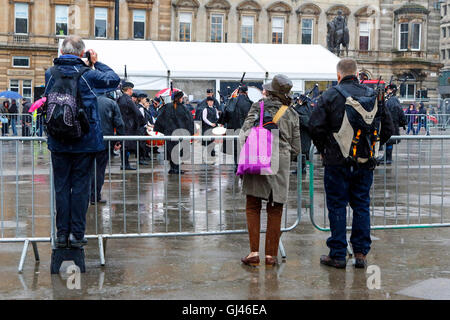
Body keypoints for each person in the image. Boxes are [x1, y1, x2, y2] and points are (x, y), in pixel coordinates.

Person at [309, 58, 394, 269]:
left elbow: (315, 126)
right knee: (361, 205)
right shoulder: (372, 95)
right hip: (365, 161)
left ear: (338, 75)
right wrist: (372, 146)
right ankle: (360, 253)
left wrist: (324, 149)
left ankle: (338, 253)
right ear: (357, 74)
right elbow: (388, 128)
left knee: (337, 206)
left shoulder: (329, 96)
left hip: (337, 161)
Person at [44, 35, 120, 248]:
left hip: (58, 139)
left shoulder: (50, 73)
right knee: (80, 188)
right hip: (84, 140)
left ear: (61, 52)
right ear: (81, 53)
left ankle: (61, 235)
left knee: (61, 188)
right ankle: (76, 235)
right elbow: (114, 79)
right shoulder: (88, 75)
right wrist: (96, 62)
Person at [240, 74, 301, 267]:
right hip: (280, 162)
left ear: (270, 91)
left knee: (253, 206)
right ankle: (271, 256)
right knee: (275, 209)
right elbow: (297, 147)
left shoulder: (258, 106)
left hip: (258, 158)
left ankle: (254, 253)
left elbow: (244, 133)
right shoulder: (292, 114)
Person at [90, 91, 125, 205]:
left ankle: (87, 195)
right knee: (99, 170)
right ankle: (95, 195)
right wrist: (118, 140)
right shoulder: (111, 103)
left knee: (86, 169)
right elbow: (119, 123)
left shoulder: (87, 100)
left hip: (87, 141)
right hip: (104, 140)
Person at [154, 90, 194, 174]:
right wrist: (190, 132)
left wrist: (161, 129)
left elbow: (160, 118)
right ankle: (176, 169)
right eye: (182, 98)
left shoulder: (167, 106)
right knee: (176, 151)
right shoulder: (183, 108)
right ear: (179, 98)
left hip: (169, 133)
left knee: (171, 151)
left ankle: (172, 168)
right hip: (179, 133)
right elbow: (189, 121)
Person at [219, 85, 253, 170]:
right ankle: (244, 166)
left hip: (233, 128)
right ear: (246, 92)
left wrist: (222, 122)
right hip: (245, 129)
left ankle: (237, 167)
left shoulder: (232, 101)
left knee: (236, 150)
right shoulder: (250, 103)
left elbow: (225, 113)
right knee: (245, 149)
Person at [117, 82, 146, 170]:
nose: (132, 91)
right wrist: (142, 123)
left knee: (124, 146)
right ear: (129, 89)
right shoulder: (128, 100)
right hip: (130, 127)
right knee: (126, 146)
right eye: (131, 89)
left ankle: (125, 164)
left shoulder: (119, 99)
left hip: (122, 125)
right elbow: (137, 113)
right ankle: (125, 165)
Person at [377, 84, 407, 165]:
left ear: (391, 90)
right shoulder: (392, 99)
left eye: (388, 90)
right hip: (391, 124)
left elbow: (399, 112)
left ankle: (388, 158)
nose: (386, 91)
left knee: (389, 141)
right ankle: (387, 157)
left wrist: (403, 122)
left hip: (390, 124)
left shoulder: (392, 100)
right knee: (389, 141)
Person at [292, 94, 313, 174]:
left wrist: (299, 117)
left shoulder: (304, 109)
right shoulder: (305, 108)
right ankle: (301, 168)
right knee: (301, 152)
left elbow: (306, 122)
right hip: (303, 134)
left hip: (304, 134)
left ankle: (301, 169)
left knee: (302, 152)